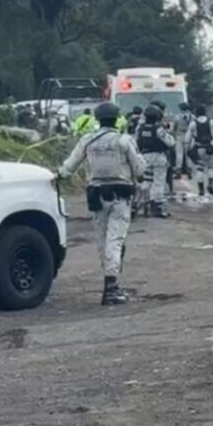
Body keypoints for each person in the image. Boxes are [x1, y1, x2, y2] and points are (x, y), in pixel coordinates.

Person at [59, 102, 146, 306]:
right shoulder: (124, 140)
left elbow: (68, 167)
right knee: (115, 240)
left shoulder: (88, 140)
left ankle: (111, 282)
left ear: (97, 119)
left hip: (96, 196)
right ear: (116, 119)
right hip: (121, 195)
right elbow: (140, 168)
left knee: (102, 239)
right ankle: (112, 287)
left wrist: (57, 177)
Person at [135, 104, 175, 218]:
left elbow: (136, 142)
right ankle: (156, 207)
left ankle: (142, 202)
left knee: (147, 181)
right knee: (158, 182)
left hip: (144, 157)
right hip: (158, 157)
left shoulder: (140, 128)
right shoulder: (158, 129)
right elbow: (170, 142)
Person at [185, 104, 213, 197]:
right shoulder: (212, 122)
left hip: (198, 148)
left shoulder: (193, 123)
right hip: (210, 147)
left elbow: (187, 138)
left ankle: (201, 189)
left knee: (199, 168)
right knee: (211, 167)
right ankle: (210, 182)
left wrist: (187, 149)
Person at [174, 102, 194, 177]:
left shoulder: (177, 117)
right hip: (189, 136)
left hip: (180, 136)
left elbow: (174, 128)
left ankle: (178, 170)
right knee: (188, 154)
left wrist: (174, 134)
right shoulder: (192, 117)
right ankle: (189, 170)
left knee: (179, 153)